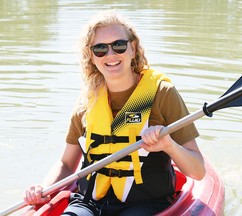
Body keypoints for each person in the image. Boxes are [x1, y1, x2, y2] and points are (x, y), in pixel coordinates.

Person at [24, 10, 205, 216]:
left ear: (133, 48)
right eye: (100, 49)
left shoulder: (161, 93)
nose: (110, 55)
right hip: (89, 203)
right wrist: (42, 188)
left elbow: (197, 171)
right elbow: (66, 164)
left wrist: (169, 145)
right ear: (91, 56)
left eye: (119, 45)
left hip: (145, 203)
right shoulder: (88, 102)